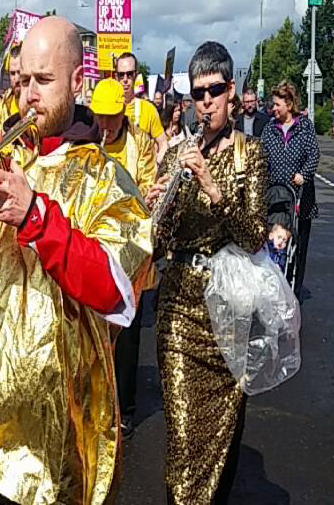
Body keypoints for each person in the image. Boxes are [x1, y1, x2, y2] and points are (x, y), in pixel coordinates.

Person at [0, 16, 152, 505]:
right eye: (22, 80)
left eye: (43, 81)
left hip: (56, 447)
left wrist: (36, 215)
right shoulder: (2, 157)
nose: (28, 94)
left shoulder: (108, 178)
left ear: (76, 81)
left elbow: (116, 292)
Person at [146, 41, 267, 504]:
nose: (206, 103)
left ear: (231, 91)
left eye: (215, 91)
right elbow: (157, 244)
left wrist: (214, 188)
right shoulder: (177, 152)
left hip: (228, 310)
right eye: (198, 94)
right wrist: (160, 204)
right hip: (179, 308)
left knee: (221, 447)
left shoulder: (249, 155)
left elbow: (255, 235)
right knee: (182, 442)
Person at [89, 77, 157, 441]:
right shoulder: (88, 141)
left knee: (128, 337)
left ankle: (125, 409)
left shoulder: (139, 144)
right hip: (98, 250)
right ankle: (99, 403)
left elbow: (147, 190)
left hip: (130, 253)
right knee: (96, 333)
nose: (105, 125)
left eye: (111, 118)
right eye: (100, 117)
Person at [261, 81, 320, 299]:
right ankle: (274, 284)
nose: (273, 109)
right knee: (275, 243)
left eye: (277, 104)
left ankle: (293, 288)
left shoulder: (305, 127)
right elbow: (261, 157)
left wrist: (303, 174)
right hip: (276, 196)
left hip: (301, 197)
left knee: (299, 245)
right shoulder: (269, 129)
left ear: (288, 103)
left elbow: (314, 155)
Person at [115, 52, 168, 156]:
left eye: (129, 74)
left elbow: (163, 143)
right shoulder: (108, 108)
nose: (125, 79)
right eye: (121, 75)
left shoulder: (148, 109)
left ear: (135, 75)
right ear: (116, 77)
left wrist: (156, 166)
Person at [0, 43, 21, 128]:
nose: (16, 79)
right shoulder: (3, 106)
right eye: (12, 73)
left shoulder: (38, 103)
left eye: (20, 72)